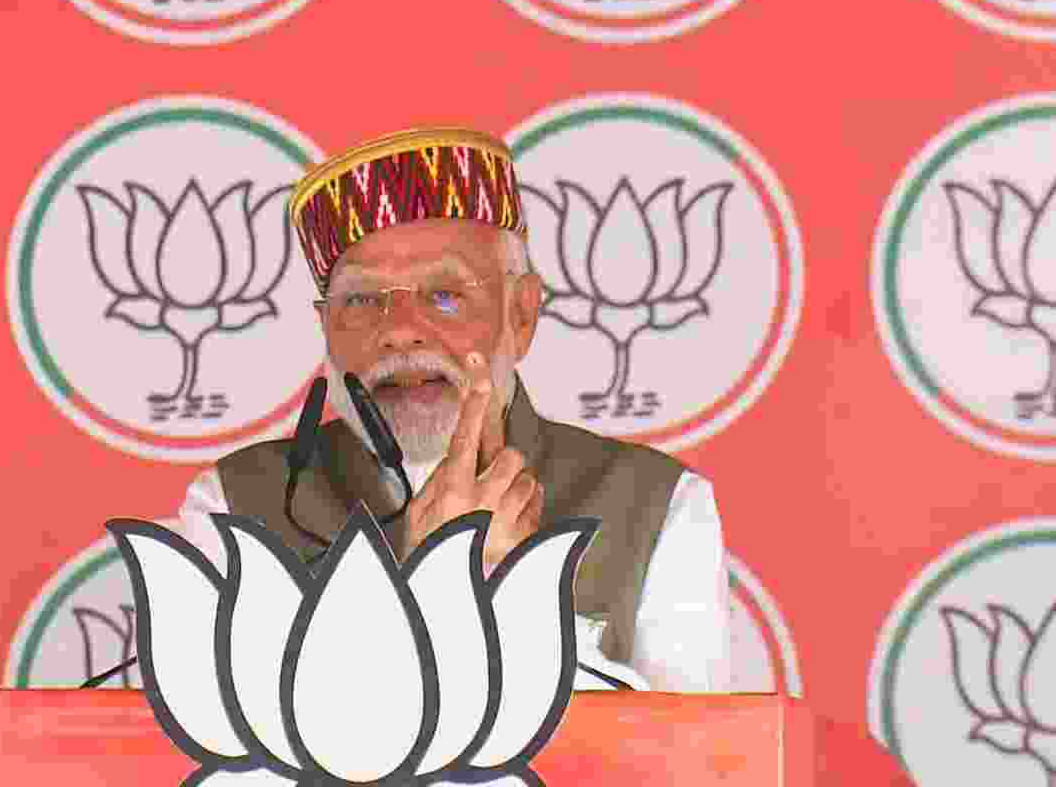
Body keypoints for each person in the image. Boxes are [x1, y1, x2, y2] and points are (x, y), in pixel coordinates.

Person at [170, 126, 731, 693]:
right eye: (362, 300)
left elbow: (692, 762)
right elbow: (211, 756)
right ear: (325, 330)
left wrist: (506, 597)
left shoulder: (656, 501)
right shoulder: (234, 501)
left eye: (445, 295)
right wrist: (429, 584)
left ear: (521, 315)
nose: (401, 332)